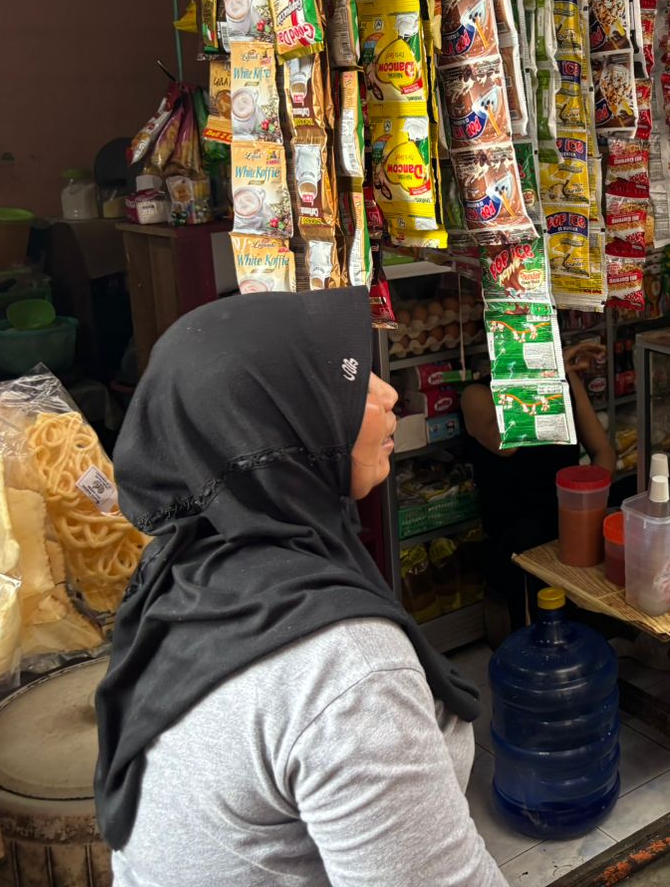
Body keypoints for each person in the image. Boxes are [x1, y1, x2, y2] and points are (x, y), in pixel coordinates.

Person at [95, 289, 505, 886]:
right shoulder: (345, 671)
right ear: (275, 427)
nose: (388, 394)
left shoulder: (183, 575)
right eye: (349, 381)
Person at [461, 338, 617, 642]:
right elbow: (506, 445)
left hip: (567, 535)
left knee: (580, 635)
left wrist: (588, 499)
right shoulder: (477, 396)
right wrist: (545, 375)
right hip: (515, 548)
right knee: (532, 642)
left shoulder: (564, 380)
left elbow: (603, 452)